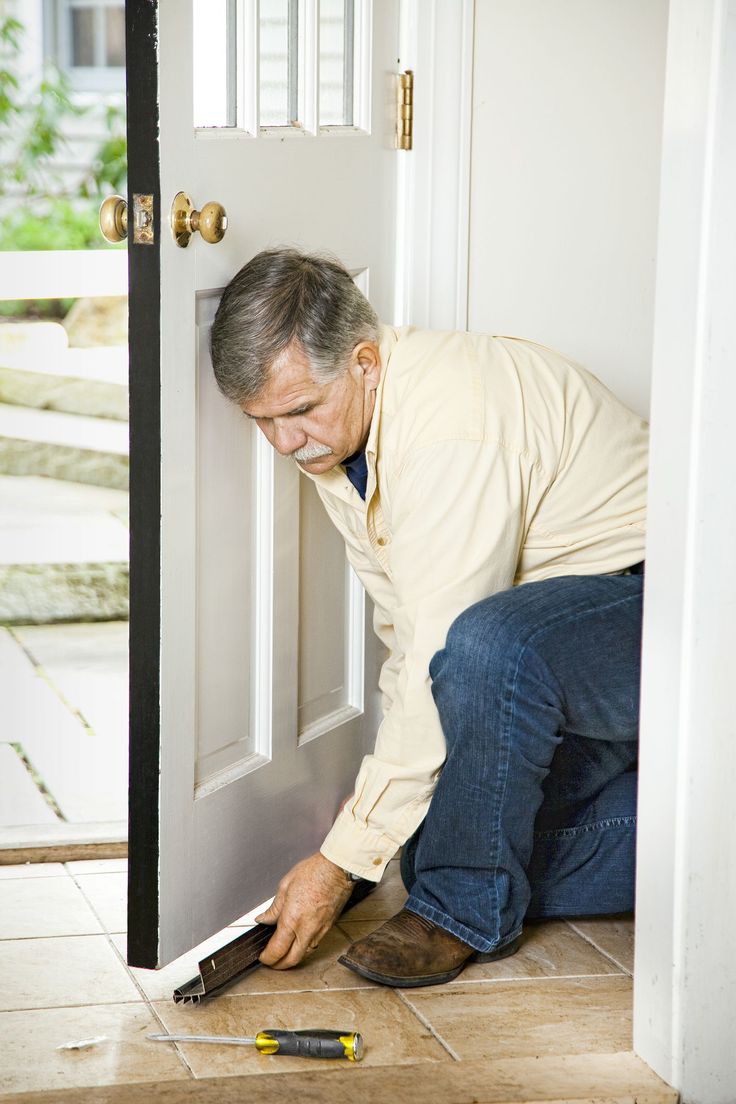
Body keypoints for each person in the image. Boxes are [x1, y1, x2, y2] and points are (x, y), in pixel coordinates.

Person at [210, 248, 647, 988]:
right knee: (429, 849)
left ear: (366, 363)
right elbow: (410, 639)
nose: (285, 442)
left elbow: (452, 640)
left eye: (298, 412)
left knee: (488, 648)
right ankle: (700, 823)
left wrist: (342, 859)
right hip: (565, 651)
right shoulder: (342, 439)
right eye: (262, 421)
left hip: (670, 612)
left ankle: (460, 913)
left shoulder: (450, 428)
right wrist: (373, 839)